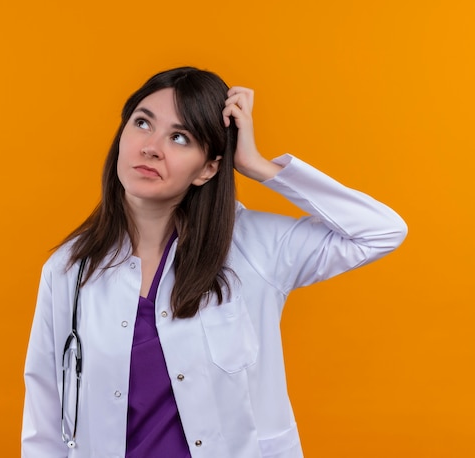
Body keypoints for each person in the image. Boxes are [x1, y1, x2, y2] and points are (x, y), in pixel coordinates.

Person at [21, 67, 407, 458]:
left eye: (179, 137)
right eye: (142, 123)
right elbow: (45, 416)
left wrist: (259, 165)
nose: (151, 147)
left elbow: (381, 231)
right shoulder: (71, 268)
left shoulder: (255, 248)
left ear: (209, 168)